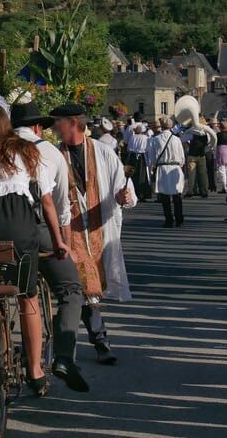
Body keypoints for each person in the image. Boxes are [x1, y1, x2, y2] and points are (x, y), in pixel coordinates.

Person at [0, 105, 71, 399]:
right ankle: (35, 371)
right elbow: (47, 202)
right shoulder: (27, 151)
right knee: (28, 296)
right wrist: (59, 240)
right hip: (20, 226)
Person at [10, 100, 89, 393]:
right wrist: (63, 244)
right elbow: (58, 207)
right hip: (39, 230)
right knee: (70, 289)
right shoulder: (50, 152)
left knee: (4, 290)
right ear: (37, 126)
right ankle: (64, 356)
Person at [51, 103, 136, 365]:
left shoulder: (104, 153)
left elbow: (125, 189)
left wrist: (124, 197)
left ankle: (68, 345)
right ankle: (97, 342)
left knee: (85, 290)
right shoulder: (54, 156)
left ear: (74, 123)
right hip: (69, 232)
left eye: (58, 122)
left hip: (99, 230)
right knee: (84, 288)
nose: (54, 127)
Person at [147, 117, 185, 228]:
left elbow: (153, 158)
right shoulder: (176, 139)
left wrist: (155, 165)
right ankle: (179, 219)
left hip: (162, 168)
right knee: (177, 195)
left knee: (164, 196)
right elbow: (182, 157)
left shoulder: (156, 139)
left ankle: (169, 220)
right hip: (175, 167)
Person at [181, 119, 215, 198]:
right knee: (203, 174)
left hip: (192, 155)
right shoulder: (207, 134)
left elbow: (182, 139)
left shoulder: (192, 133)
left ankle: (190, 191)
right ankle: (204, 191)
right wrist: (206, 149)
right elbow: (210, 143)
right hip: (202, 155)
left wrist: (187, 147)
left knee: (191, 174)